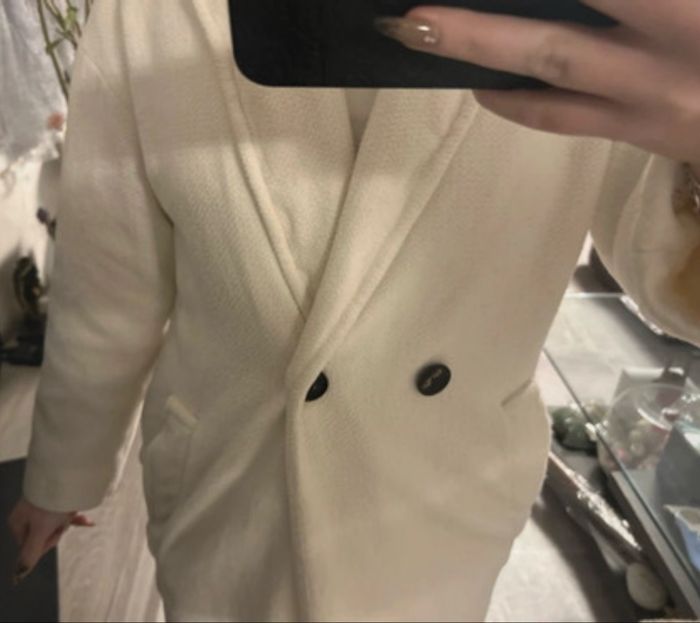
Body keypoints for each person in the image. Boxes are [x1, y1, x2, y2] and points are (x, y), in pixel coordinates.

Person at [7, 0, 700, 620]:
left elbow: (670, 283)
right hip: (233, 492)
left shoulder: (623, 12)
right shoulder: (148, 11)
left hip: (441, 499)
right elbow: (110, 279)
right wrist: (64, 471)